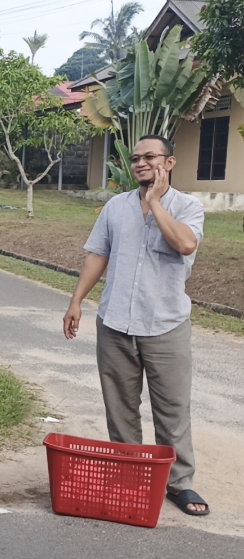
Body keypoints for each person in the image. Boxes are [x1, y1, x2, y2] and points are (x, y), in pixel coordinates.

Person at [63, 135, 208, 517]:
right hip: (116, 323)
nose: (141, 163)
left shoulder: (188, 206)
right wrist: (77, 300)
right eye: (136, 158)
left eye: (150, 157)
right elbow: (99, 255)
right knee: (121, 407)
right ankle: (130, 474)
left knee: (172, 408)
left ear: (169, 162)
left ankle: (179, 483)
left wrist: (156, 203)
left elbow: (186, 245)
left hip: (166, 325)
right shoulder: (116, 206)